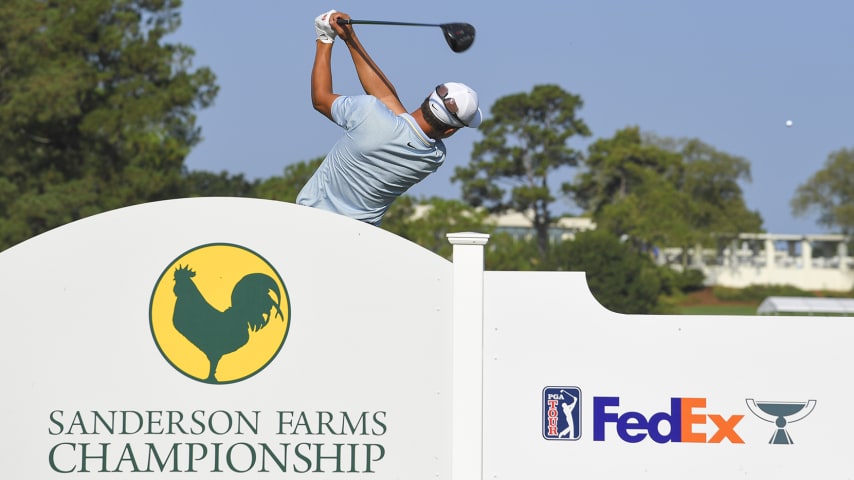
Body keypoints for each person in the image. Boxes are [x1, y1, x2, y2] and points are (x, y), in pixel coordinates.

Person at [296, 9, 482, 226]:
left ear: (428, 98)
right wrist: (350, 38)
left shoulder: (368, 111)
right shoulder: (434, 157)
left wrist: (324, 39)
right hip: (360, 237)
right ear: (450, 130)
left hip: (308, 222)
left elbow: (320, 99)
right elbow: (386, 97)